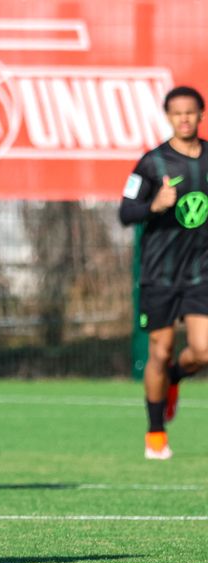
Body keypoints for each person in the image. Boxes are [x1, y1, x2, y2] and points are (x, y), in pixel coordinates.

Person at [119, 85, 208, 460]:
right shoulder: (152, 163)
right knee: (161, 349)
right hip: (159, 275)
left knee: (203, 350)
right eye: (177, 113)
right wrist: (153, 205)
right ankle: (156, 433)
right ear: (168, 116)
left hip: (201, 272)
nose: (184, 118)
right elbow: (125, 213)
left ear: (201, 115)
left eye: (191, 112)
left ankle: (172, 379)